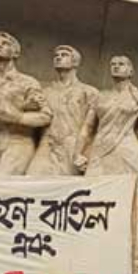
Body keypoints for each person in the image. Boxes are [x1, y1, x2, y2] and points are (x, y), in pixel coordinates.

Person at [74, 55, 138, 259]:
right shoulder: (100, 97)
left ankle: (135, 250)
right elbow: (87, 128)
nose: (116, 67)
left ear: (130, 71)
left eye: (121, 64)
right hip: (100, 150)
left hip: (127, 149)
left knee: (131, 199)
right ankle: (87, 247)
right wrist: (77, 153)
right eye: (113, 64)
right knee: (91, 196)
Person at [0, 32, 52, 174]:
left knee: (0, 183)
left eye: (5, 44)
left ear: (15, 53)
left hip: (17, 142)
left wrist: (18, 117)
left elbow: (46, 116)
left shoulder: (26, 82)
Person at [28, 45, 99, 176]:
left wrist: (81, 152)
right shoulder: (45, 92)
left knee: (66, 187)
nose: (59, 58)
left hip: (72, 144)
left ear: (75, 62)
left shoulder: (89, 92)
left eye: (64, 55)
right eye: (56, 56)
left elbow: (88, 127)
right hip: (47, 144)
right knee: (32, 178)